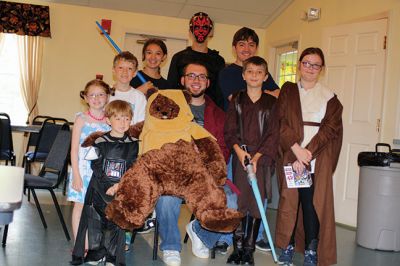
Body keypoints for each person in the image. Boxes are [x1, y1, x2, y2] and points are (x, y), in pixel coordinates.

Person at [156, 61, 232, 266]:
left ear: (207, 82)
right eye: (191, 76)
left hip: (204, 174)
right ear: (182, 80)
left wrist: (209, 167)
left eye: (201, 77)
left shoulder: (218, 115)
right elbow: (156, 137)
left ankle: (200, 233)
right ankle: (171, 246)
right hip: (173, 172)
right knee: (167, 200)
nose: (196, 80)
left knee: (228, 199)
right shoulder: (168, 106)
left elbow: (224, 149)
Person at [275, 47, 343, 266]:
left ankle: (312, 249)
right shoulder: (288, 90)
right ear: (299, 65)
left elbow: (329, 130)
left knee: (312, 203)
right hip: (291, 155)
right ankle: (288, 245)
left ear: (321, 69)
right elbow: (281, 122)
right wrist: (296, 149)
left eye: (316, 65)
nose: (310, 68)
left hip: (316, 159)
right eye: (306, 63)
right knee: (290, 203)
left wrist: (307, 154)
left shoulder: (330, 97)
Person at [224, 56, 279, 265]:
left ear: (265, 76)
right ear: (243, 75)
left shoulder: (272, 103)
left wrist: (256, 157)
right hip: (241, 158)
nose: (254, 75)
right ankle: (237, 248)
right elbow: (229, 131)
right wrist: (240, 153)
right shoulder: (236, 100)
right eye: (250, 71)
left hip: (262, 159)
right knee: (239, 202)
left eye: (259, 72)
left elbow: (274, 134)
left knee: (256, 203)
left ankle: (249, 249)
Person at [71, 100, 139, 266]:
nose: (123, 123)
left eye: (126, 118)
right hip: (99, 187)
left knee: (116, 223)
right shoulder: (99, 141)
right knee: (95, 220)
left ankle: (112, 257)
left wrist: (119, 185)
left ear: (131, 120)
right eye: (118, 118)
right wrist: (107, 184)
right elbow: (95, 165)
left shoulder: (133, 143)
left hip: (121, 189)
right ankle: (96, 253)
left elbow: (132, 167)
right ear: (108, 120)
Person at [67, 79, 111, 251]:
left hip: (100, 173)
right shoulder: (81, 119)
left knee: (99, 208)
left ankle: (94, 244)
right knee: (80, 206)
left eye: (100, 94)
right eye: (92, 95)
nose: (96, 98)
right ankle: (80, 245)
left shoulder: (109, 121)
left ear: (107, 97)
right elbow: (74, 150)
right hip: (82, 171)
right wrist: (76, 175)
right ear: (85, 97)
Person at [167, 12, 225, 108]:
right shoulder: (179, 57)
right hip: (182, 111)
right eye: (197, 28)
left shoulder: (218, 60)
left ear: (210, 32)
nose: (201, 31)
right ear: (190, 32)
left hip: (208, 113)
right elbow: (170, 89)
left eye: (205, 28)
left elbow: (219, 94)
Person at [219, 27, 280, 111]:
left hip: (260, 122)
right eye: (241, 44)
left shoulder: (261, 71)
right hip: (236, 122)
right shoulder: (226, 73)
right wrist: (267, 94)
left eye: (251, 45)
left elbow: (278, 94)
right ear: (234, 48)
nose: (246, 49)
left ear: (256, 48)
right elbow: (238, 101)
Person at [110, 51, 147, 125]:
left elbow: (140, 124)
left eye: (129, 68)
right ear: (113, 70)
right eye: (121, 68)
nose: (125, 72)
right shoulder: (105, 93)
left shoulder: (139, 97)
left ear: (135, 73)